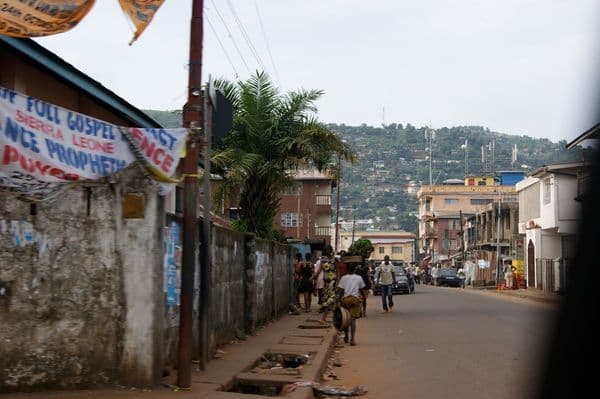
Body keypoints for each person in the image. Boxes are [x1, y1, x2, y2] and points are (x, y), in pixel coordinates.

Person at [336, 263, 365, 346]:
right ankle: (352, 339)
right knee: (352, 320)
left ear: (347, 270)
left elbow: (341, 291)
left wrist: (337, 300)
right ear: (355, 270)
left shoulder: (343, 278)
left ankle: (346, 336)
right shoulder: (358, 278)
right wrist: (363, 299)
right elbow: (361, 289)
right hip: (355, 300)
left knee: (346, 319)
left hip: (345, 300)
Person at [313, 245, 337, 323]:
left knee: (331, 300)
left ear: (331, 251)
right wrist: (313, 276)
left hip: (333, 282)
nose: (327, 252)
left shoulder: (335, 260)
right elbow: (319, 270)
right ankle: (326, 318)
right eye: (326, 250)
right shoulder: (323, 260)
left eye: (328, 250)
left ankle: (324, 318)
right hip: (326, 283)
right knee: (327, 300)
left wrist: (339, 282)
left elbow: (338, 272)